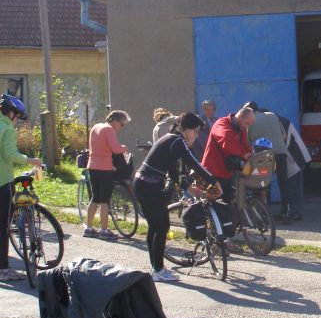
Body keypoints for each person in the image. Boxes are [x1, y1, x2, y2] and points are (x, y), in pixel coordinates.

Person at [133, 112, 221, 282]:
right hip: (150, 185)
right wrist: (214, 181)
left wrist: (188, 187)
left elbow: (173, 171)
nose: (196, 136)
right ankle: (158, 269)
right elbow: (194, 163)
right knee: (162, 225)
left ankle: (156, 267)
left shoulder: (171, 139)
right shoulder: (177, 141)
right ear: (186, 129)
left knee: (155, 226)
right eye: (195, 131)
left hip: (142, 183)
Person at [201, 107, 255, 254]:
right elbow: (226, 141)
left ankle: (226, 241)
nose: (247, 127)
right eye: (246, 123)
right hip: (212, 173)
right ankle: (214, 243)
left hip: (226, 173)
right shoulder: (221, 124)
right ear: (239, 117)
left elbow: (245, 145)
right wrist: (243, 154)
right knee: (213, 207)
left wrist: (251, 153)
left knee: (227, 208)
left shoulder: (241, 128)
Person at [0, 94, 42, 282]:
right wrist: (31, 160)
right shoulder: (7, 129)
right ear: (10, 113)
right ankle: (3, 269)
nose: (17, 120)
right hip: (3, 182)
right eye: (17, 116)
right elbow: (11, 154)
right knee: (4, 226)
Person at [84, 110, 130, 240]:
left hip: (92, 166)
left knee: (95, 198)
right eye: (122, 124)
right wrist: (124, 148)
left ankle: (89, 228)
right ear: (115, 120)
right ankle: (104, 230)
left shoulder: (96, 127)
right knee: (105, 201)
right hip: (105, 168)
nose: (121, 127)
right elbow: (115, 149)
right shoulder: (109, 130)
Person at [243, 102, 289, 221]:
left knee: (265, 183)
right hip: (281, 153)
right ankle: (286, 212)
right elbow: (284, 135)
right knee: (283, 183)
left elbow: (247, 142)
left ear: (250, 111)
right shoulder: (273, 115)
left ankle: (266, 214)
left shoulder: (251, 121)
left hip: (265, 156)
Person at [279, 115, 310, 221]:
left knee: (292, 187)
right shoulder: (280, 120)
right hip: (294, 157)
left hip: (294, 158)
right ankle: (291, 212)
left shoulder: (280, 123)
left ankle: (294, 213)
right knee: (292, 187)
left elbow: (283, 142)